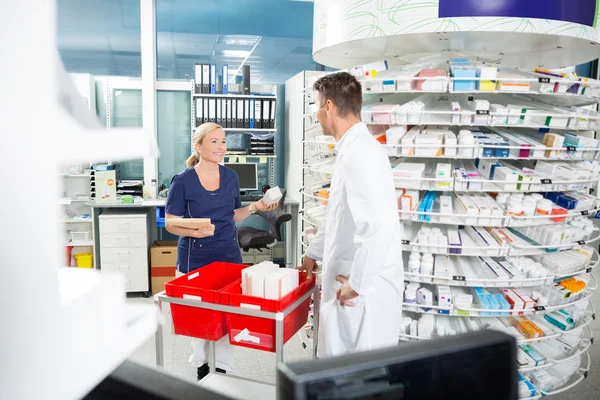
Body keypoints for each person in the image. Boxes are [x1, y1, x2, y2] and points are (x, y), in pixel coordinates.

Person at [299, 72, 403, 358]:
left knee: (358, 379)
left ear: (329, 106)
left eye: (316, 105)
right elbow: (338, 214)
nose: (316, 113)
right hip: (350, 283)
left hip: (360, 294)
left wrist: (356, 286)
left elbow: (376, 226)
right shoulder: (352, 150)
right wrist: (313, 253)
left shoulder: (361, 154)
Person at [165, 122, 277, 380]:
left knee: (228, 312)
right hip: (196, 256)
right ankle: (202, 364)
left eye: (223, 141)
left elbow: (232, 215)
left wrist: (255, 207)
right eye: (214, 141)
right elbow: (171, 222)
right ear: (199, 146)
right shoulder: (183, 181)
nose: (221, 147)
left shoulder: (231, 177)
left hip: (228, 253)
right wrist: (194, 232)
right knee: (199, 315)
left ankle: (223, 366)